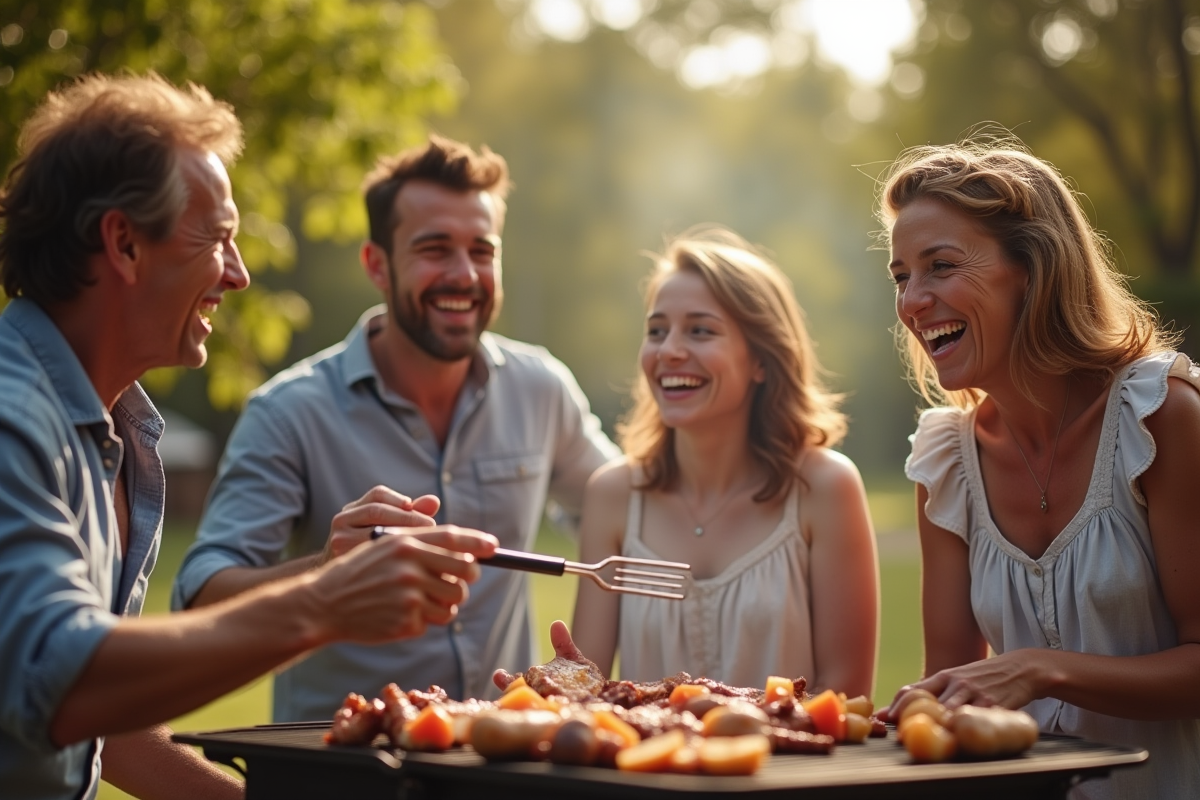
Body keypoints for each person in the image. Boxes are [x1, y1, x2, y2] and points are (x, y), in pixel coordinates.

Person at [0, 73, 499, 800]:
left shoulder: (112, 431)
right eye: (218, 239)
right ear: (124, 243)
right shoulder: (13, 418)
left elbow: (103, 716)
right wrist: (325, 602)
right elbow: (63, 684)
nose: (237, 275)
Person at [172, 135, 619, 722]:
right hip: (343, 760)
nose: (464, 274)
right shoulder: (289, 412)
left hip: (500, 755)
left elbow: (628, 510)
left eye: (482, 251)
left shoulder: (542, 389)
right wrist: (324, 573)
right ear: (376, 265)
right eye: (435, 249)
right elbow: (198, 600)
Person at [878, 137, 1200, 799]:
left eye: (940, 266)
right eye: (902, 276)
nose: (912, 301)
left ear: (1032, 267)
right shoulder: (945, 460)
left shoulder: (1160, 416)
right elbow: (949, 697)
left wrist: (1041, 670)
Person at [569, 226, 879, 697]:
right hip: (645, 749)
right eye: (656, 331)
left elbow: (845, 694)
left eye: (700, 330)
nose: (669, 350)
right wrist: (561, 685)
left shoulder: (826, 488)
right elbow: (586, 689)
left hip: (790, 748)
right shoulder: (612, 494)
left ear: (761, 360)